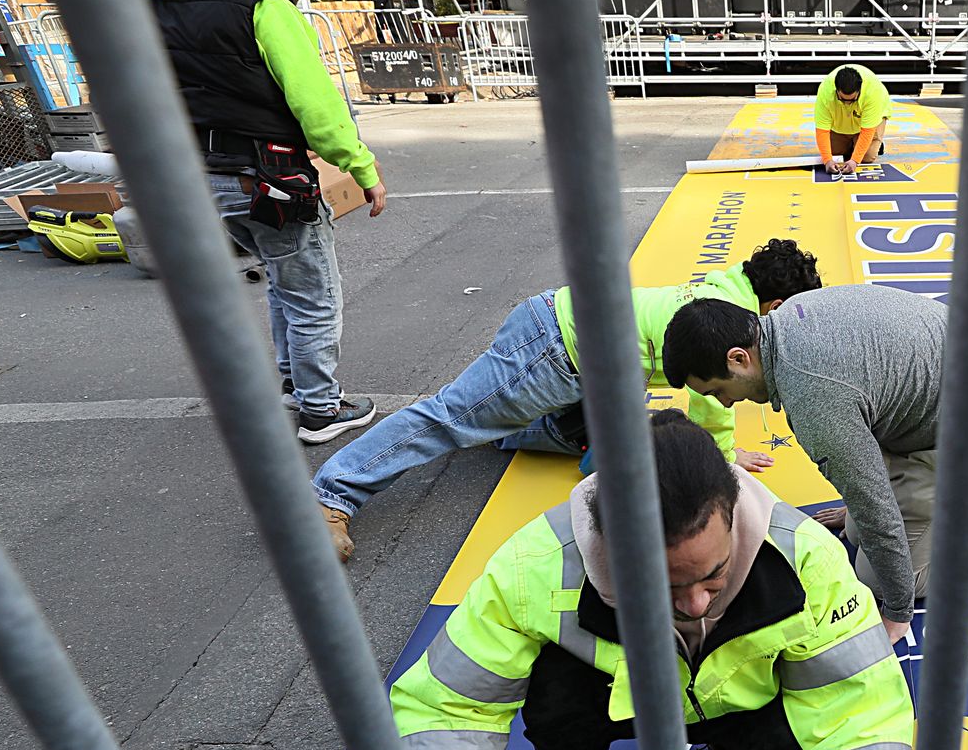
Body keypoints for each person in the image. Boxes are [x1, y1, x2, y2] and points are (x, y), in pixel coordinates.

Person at [391, 409, 912, 750]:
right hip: (616, 702)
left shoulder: (806, 560)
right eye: (663, 585)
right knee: (552, 681)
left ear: (732, 515)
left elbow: (870, 728)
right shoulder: (531, 567)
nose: (694, 606)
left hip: (745, 707)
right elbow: (435, 718)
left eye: (713, 576)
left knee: (815, 707)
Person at [314, 240, 823, 560]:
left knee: (586, 435)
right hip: (556, 346)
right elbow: (712, 400)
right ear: (775, 305)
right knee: (449, 418)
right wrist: (723, 461)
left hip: (587, 362)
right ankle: (332, 495)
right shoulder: (732, 313)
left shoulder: (728, 290)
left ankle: (500, 425)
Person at [661, 285, 968, 645]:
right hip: (948, 417)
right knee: (857, 533)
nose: (724, 403)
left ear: (739, 358)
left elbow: (876, 511)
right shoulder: (789, 316)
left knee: (893, 577)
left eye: (718, 389)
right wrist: (859, 506)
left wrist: (897, 610)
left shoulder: (813, 397)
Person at [137, 0, 388, 444]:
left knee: (282, 276)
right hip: (265, 171)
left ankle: (288, 381)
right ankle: (323, 408)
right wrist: (361, 166)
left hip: (191, 170)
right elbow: (315, 100)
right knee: (313, 290)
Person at [815, 65, 891, 175]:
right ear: (836, 90)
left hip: (867, 121)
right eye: (842, 99)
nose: (847, 104)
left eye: (852, 100)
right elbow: (822, 130)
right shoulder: (825, 92)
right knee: (834, 154)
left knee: (866, 157)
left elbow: (867, 131)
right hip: (840, 123)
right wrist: (827, 160)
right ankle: (854, 143)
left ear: (859, 91)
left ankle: (873, 143)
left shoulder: (873, 92)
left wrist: (855, 161)